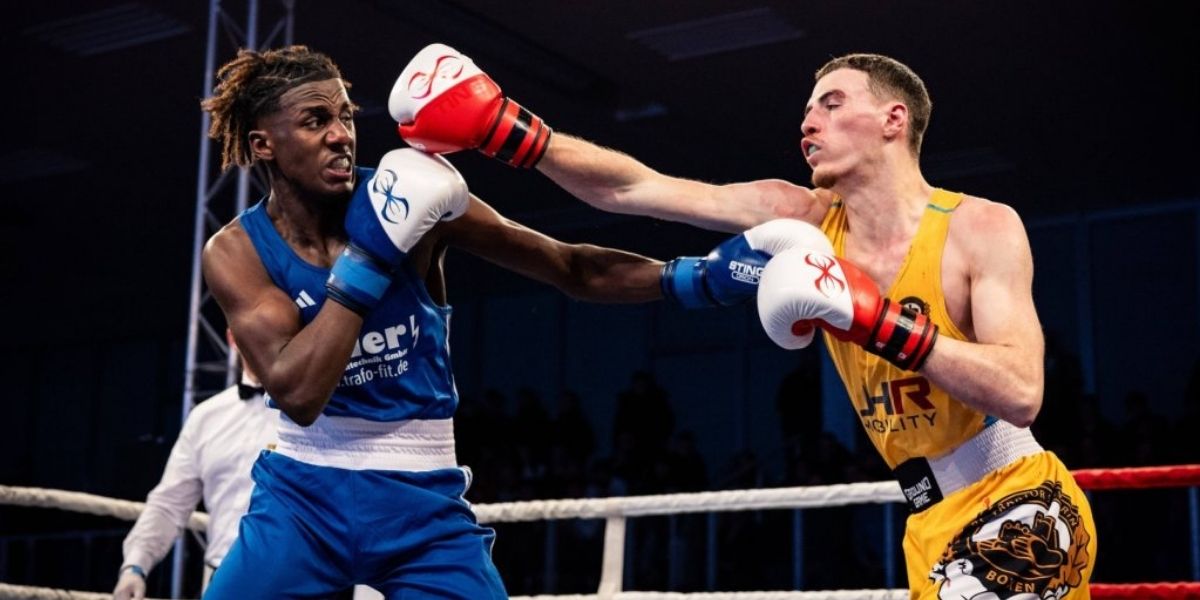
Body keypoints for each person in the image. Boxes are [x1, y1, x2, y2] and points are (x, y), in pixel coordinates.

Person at [395, 45, 1097, 599]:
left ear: (894, 120)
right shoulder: (804, 219)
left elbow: (1021, 390)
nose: (808, 123)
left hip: (1020, 501)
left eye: (832, 104)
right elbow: (636, 188)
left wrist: (877, 321)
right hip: (928, 518)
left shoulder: (979, 226)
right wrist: (508, 130)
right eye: (806, 112)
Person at [197, 45, 669, 599]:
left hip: (422, 500)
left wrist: (696, 278)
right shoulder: (237, 252)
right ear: (263, 144)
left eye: (346, 115)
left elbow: (570, 266)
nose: (341, 135)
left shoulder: (410, 198)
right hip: (303, 503)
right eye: (316, 120)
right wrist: (371, 257)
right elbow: (299, 394)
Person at [113, 341, 273, 599]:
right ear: (232, 337)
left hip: (297, 581)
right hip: (221, 578)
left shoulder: (318, 412)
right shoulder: (206, 416)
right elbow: (170, 502)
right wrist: (135, 565)